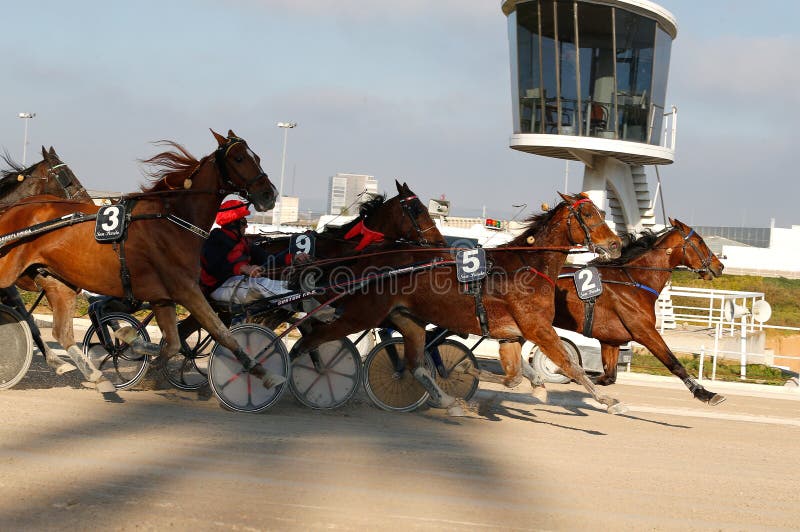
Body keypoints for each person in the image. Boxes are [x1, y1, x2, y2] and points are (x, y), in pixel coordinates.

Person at [200, 199, 338, 322]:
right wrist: (244, 268)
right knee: (260, 284)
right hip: (218, 288)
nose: (246, 226)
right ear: (232, 224)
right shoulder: (216, 240)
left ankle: (308, 301)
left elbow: (267, 258)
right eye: (243, 222)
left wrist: (293, 257)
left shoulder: (243, 242)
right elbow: (215, 266)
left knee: (284, 284)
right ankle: (309, 305)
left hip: (236, 285)